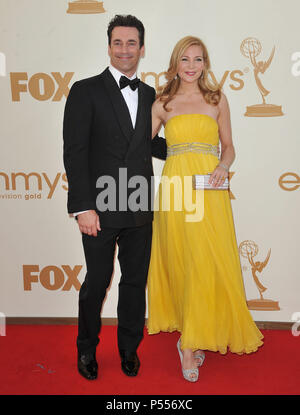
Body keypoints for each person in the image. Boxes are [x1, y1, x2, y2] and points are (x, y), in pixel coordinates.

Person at [146, 36, 264, 382]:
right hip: (176, 189)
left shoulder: (217, 99)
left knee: (207, 258)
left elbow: (228, 147)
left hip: (209, 189)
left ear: (205, 64)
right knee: (183, 257)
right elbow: (142, 144)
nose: (192, 66)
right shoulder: (162, 103)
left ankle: (197, 332)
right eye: (185, 59)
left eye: (198, 59)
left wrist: (223, 167)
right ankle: (188, 344)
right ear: (175, 63)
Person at [63, 14, 166, 380]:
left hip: (139, 204)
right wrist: (82, 207)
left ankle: (128, 349)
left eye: (131, 43)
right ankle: (87, 349)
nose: (125, 49)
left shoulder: (152, 94)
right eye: (118, 42)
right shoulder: (85, 90)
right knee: (97, 281)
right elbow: (75, 151)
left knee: (135, 282)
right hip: (99, 209)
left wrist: (191, 150)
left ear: (141, 48)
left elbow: (148, 143)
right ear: (109, 46)